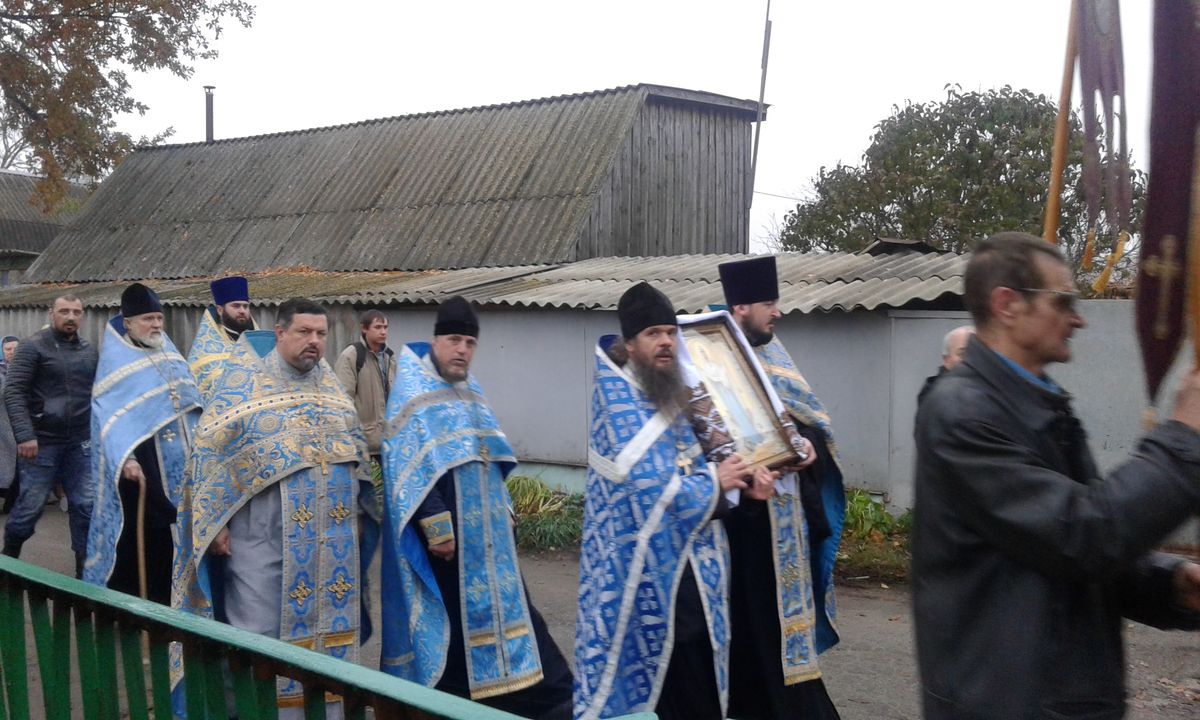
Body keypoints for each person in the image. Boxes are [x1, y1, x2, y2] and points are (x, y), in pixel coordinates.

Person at [913, 232, 1200, 720]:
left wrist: (1169, 583)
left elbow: (1060, 550)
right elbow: (1083, 535)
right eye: (1064, 301)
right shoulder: (962, 413)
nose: (1078, 318)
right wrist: (1183, 437)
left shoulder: (1035, 401)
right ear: (1007, 305)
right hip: (1006, 702)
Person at [574, 282, 771, 720]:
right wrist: (715, 484)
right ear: (630, 344)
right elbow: (646, 487)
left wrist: (744, 487)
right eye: (653, 334)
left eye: (670, 332)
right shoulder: (618, 400)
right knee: (671, 688)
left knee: (700, 673)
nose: (666, 341)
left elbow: (705, 466)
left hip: (695, 576)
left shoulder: (673, 393)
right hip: (642, 581)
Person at [172, 298, 377, 715]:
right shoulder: (242, 386)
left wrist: (358, 511)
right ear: (280, 333)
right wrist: (215, 523)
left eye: (321, 334)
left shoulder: (333, 393)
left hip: (329, 546)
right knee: (258, 636)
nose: (314, 341)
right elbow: (208, 457)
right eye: (304, 332)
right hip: (261, 538)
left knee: (329, 634)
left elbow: (356, 452)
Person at [379, 296, 573, 720]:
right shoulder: (412, 393)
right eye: (454, 340)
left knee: (515, 622)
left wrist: (506, 508)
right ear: (436, 340)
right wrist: (435, 526)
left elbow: (491, 455)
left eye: (470, 343)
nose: (462, 350)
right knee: (456, 635)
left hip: (490, 544)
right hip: (447, 549)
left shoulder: (471, 391)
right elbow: (409, 464)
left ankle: (538, 699)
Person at [717, 256, 845, 720]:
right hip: (738, 526)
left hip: (784, 524)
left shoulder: (775, 356)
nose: (778, 312)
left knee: (782, 636)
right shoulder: (711, 363)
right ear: (741, 308)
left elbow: (811, 427)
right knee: (746, 634)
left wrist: (808, 448)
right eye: (768, 303)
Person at [83, 284, 201, 604]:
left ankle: (175, 603)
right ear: (128, 323)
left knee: (175, 539)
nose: (156, 325)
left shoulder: (168, 354)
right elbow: (108, 420)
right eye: (148, 319)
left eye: (159, 318)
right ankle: (135, 608)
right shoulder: (115, 364)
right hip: (143, 468)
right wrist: (129, 459)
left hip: (180, 465)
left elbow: (191, 401)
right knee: (147, 542)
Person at [2, 296, 98, 576]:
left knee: (85, 505)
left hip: (79, 443)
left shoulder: (88, 351)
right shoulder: (32, 347)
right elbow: (13, 391)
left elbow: (97, 393)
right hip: (41, 442)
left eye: (77, 312)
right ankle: (8, 562)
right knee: (29, 509)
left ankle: (83, 577)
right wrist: (25, 435)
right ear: (51, 313)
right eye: (64, 311)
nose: (71, 317)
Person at [333, 309, 396, 464]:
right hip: (362, 443)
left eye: (385, 327)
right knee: (366, 480)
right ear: (364, 328)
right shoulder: (351, 356)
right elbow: (343, 400)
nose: (383, 332)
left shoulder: (389, 356)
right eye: (378, 327)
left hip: (389, 441)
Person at [187, 275, 255, 405]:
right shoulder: (205, 353)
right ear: (219, 310)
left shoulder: (257, 345)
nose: (242, 311)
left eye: (245, 306)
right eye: (236, 306)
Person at [916, 325, 974, 404]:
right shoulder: (935, 396)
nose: (971, 358)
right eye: (962, 353)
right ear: (947, 360)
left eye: (975, 352)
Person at [0, 336, 18, 514]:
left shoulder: (28, 368)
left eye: (15, 348)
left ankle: (12, 503)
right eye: (8, 349)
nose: (12, 352)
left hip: (20, 425)